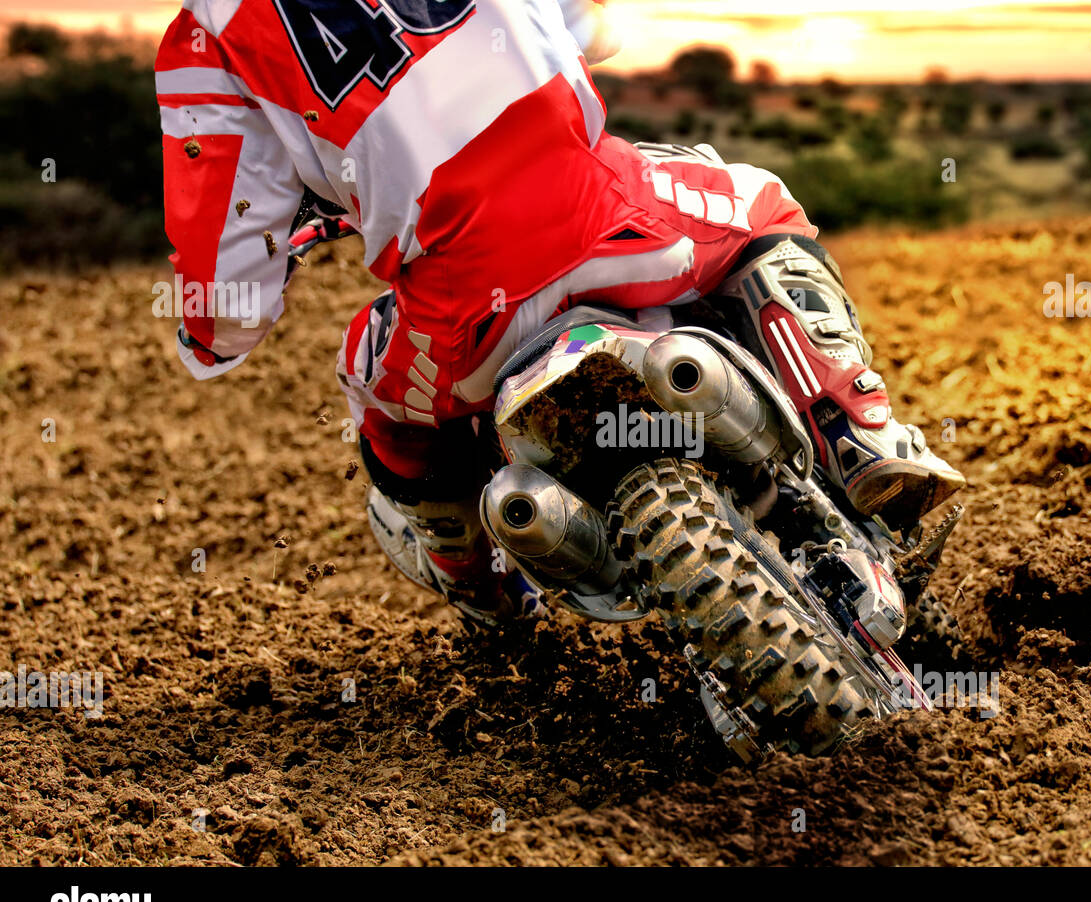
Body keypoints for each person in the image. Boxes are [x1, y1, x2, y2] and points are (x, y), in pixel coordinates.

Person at [157, 0, 964, 624]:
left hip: (462, 317)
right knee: (762, 206)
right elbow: (592, 29)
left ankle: (481, 584)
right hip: (622, 225)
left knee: (378, 396)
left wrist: (212, 335)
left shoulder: (209, 36)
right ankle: (857, 429)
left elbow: (225, 274)